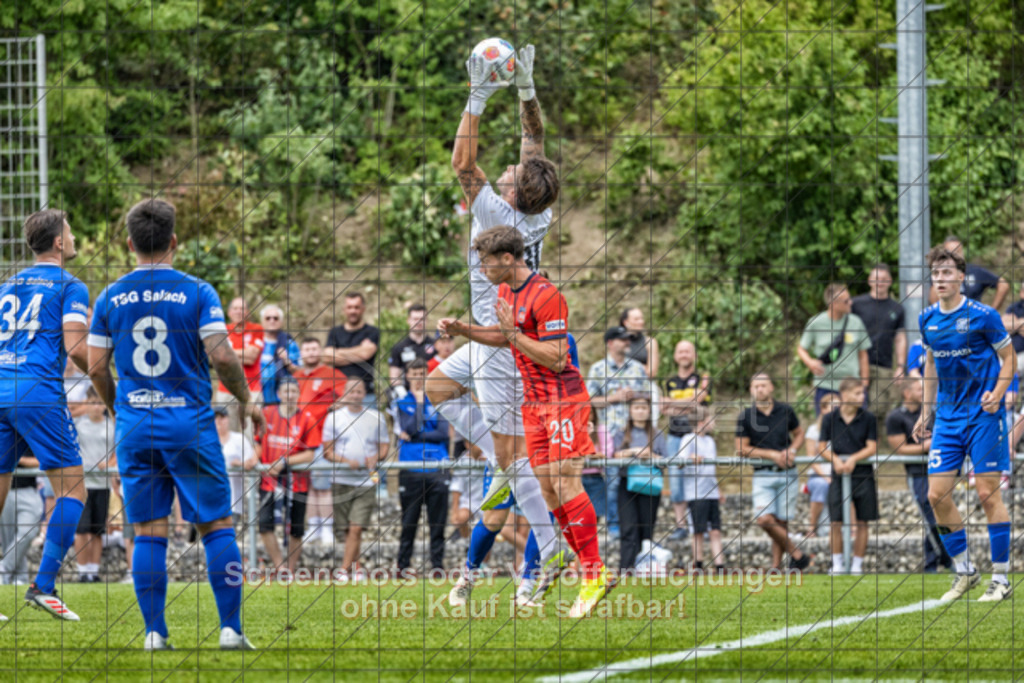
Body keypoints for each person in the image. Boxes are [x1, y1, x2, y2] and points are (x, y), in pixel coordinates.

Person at [426, 44, 566, 603]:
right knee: (437, 387)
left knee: (509, 463)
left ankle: (551, 545)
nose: (510, 165)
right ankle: (508, 458)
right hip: (489, 343)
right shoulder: (538, 208)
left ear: (510, 192)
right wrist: (527, 89)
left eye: (511, 172)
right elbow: (535, 142)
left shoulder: (495, 213)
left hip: (498, 344)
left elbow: (462, 164)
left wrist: (480, 94)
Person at [87, 198, 261, 649]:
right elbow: (222, 354)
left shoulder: (109, 296)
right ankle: (230, 630)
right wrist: (246, 396)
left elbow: (95, 368)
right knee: (217, 525)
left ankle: (154, 634)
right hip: (187, 421)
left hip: (134, 424)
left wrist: (116, 408)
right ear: (175, 241)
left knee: (147, 529)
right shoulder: (197, 291)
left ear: (130, 244)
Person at [440, 224, 613, 618]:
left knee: (565, 482)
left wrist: (514, 335)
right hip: (532, 406)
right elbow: (505, 337)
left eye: (485, 263)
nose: (481, 270)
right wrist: (464, 330)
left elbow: (554, 356)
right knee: (549, 492)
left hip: (562, 400)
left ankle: (594, 574)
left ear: (507, 259)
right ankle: (575, 565)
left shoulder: (547, 294)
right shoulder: (505, 291)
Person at [0, 209, 91, 622]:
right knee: (73, 491)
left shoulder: (7, 286)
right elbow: (75, 348)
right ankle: (44, 586)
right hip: (35, 390)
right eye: (69, 232)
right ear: (58, 242)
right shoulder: (71, 286)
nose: (72, 238)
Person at [914, 245, 1015, 602]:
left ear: (961, 277)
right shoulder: (927, 319)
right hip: (948, 417)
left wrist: (999, 392)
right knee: (935, 494)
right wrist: (926, 412)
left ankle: (1001, 579)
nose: (940, 279)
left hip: (984, 416)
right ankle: (965, 571)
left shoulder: (984, 315)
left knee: (987, 493)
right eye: (935, 274)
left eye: (946, 273)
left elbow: (1008, 358)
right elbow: (930, 365)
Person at [735, 373, 811, 571]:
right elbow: (741, 448)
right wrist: (772, 455)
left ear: (771, 388)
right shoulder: (745, 416)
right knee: (765, 519)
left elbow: (799, 433)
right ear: (751, 390)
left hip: (788, 473)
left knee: (781, 522)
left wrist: (792, 450)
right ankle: (798, 554)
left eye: (763, 385)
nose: (759, 389)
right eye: (755, 386)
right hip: (763, 474)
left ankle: (776, 567)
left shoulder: (785, 410)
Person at [248, 377, 319, 575]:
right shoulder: (267, 414)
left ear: (298, 395)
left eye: (294, 391)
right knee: (264, 525)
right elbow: (258, 442)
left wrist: (284, 463)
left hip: (299, 483)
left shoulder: (307, 419)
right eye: (286, 391)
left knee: (296, 530)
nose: (290, 395)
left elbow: (310, 454)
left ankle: (291, 569)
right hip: (269, 482)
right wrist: (254, 457)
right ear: (279, 394)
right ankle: (281, 568)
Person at [586, 325, 651, 537]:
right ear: (610, 343)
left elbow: (648, 397)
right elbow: (587, 402)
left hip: (635, 431)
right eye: (623, 339)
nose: (627, 343)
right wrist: (615, 398)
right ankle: (614, 527)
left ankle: (640, 528)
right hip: (609, 433)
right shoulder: (597, 369)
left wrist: (637, 397)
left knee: (637, 479)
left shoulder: (637, 368)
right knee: (613, 483)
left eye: (628, 339)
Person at [886, 377, 952, 573]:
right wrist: (926, 446)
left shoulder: (932, 414)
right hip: (917, 475)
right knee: (930, 520)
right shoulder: (896, 417)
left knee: (944, 516)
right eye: (918, 389)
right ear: (906, 393)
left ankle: (944, 560)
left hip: (940, 471)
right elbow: (900, 448)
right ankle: (940, 561)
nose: (923, 391)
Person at [322, 378, 387, 575]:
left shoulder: (376, 417)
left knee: (357, 527)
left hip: (367, 479)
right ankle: (356, 568)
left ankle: (342, 570)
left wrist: (376, 457)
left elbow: (384, 446)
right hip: (340, 479)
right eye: (351, 391)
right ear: (344, 393)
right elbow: (327, 451)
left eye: (359, 391)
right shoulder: (334, 418)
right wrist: (345, 460)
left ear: (364, 394)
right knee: (346, 529)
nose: (355, 395)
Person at [395, 359, 451, 575]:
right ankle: (402, 567)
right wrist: (419, 404)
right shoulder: (401, 402)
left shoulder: (437, 400)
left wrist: (416, 436)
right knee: (409, 521)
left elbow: (443, 433)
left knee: (438, 523)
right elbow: (408, 427)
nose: (418, 378)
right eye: (414, 374)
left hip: (438, 467)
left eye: (422, 374)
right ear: (407, 376)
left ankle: (437, 566)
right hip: (411, 469)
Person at [818, 377, 878, 575]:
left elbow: (872, 447)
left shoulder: (868, 418)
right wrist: (835, 460)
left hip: (863, 475)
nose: (862, 396)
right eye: (857, 393)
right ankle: (836, 564)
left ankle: (857, 565)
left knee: (863, 521)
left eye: (862, 393)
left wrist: (853, 459)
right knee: (835, 521)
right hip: (838, 474)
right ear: (844, 395)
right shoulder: (829, 419)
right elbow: (821, 447)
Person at [662, 339, 712, 541]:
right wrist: (687, 404)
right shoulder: (669, 382)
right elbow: (662, 408)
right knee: (676, 480)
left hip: (698, 435)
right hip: (674, 435)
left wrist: (675, 404)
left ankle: (703, 525)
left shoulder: (704, 378)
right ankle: (680, 525)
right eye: (680, 351)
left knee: (701, 478)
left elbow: (699, 401)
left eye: (688, 351)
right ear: (675, 356)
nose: (684, 355)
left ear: (694, 356)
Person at [797, 283, 872, 414]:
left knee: (858, 427)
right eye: (846, 301)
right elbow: (801, 348)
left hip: (852, 386)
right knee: (827, 428)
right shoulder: (815, 323)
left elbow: (863, 354)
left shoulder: (856, 322)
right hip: (826, 386)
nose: (851, 302)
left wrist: (864, 384)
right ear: (833, 304)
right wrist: (810, 362)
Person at [611, 396, 666, 570]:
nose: (640, 411)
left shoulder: (657, 434)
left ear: (649, 411)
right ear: (630, 410)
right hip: (627, 484)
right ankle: (625, 570)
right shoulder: (621, 433)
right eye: (637, 407)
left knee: (646, 530)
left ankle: (645, 568)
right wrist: (634, 451)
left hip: (650, 485)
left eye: (644, 408)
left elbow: (665, 460)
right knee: (628, 528)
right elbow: (615, 455)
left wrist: (650, 456)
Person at [851, 264, 907, 420]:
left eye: (883, 279)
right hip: (857, 364)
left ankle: (874, 443)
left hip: (883, 365)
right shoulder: (856, 304)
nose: (879, 282)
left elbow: (900, 338)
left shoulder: (897, 308)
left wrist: (901, 367)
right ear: (869, 280)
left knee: (878, 409)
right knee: (853, 405)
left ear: (890, 282)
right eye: (876, 278)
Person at [73, 387, 116, 583]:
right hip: (83, 484)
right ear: (86, 403)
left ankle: (94, 570)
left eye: (99, 403)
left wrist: (108, 464)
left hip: (103, 484)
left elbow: (118, 452)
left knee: (98, 530)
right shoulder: (78, 426)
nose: (96, 407)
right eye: (92, 402)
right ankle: (82, 571)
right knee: (82, 530)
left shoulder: (111, 426)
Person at [680, 406, 724, 572]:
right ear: (701, 422)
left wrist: (718, 489)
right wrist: (691, 457)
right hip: (696, 493)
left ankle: (719, 566)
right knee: (698, 531)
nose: (713, 423)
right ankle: (698, 565)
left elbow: (711, 469)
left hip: (711, 492)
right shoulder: (688, 439)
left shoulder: (710, 441)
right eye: (710, 419)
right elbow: (680, 460)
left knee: (715, 530)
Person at [323, 292, 379, 407]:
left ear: (363, 309)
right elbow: (327, 357)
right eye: (349, 307)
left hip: (366, 394)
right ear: (344, 309)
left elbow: (366, 354)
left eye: (356, 307)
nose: (353, 311)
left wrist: (338, 353)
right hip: (339, 394)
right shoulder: (335, 332)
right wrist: (359, 351)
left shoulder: (372, 332)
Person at [929, 235, 1009, 310]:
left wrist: (992, 310)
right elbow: (934, 298)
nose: (953, 255)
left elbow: (1003, 284)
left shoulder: (975, 271)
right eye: (949, 252)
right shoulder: (939, 275)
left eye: (957, 251)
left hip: (973, 319)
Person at [0, 454, 43, 586]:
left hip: (28, 491)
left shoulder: (29, 434)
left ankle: (3, 570)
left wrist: (18, 459)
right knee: (8, 538)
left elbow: (39, 460)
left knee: (28, 532)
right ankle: (19, 578)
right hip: (4, 491)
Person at [218, 296, 263, 418]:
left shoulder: (257, 329)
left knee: (250, 434)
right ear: (229, 312)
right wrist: (242, 353)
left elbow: (251, 357)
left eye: (242, 308)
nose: (239, 311)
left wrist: (227, 352)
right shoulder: (222, 330)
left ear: (247, 312)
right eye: (235, 308)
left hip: (251, 390)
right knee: (226, 434)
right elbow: (215, 357)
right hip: (226, 389)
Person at [803, 393, 839, 538]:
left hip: (838, 473)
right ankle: (812, 527)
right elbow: (812, 458)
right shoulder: (813, 431)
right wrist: (826, 477)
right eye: (834, 406)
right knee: (821, 485)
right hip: (818, 475)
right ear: (823, 409)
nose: (837, 409)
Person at [215, 405, 253, 522]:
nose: (219, 421)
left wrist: (240, 464)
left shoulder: (239, 439)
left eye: (222, 417)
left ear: (228, 419)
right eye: (215, 418)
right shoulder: (205, 441)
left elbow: (251, 461)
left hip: (233, 502)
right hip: (212, 502)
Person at [387, 304, 436, 390]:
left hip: (432, 394)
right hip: (408, 395)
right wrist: (400, 392)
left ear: (427, 321)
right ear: (408, 320)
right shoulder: (399, 347)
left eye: (422, 319)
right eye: (415, 319)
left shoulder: (436, 345)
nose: (418, 322)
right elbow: (394, 375)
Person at [258, 304, 299, 406]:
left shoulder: (289, 343)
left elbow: (300, 372)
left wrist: (287, 361)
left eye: (276, 318)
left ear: (281, 322)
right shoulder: (255, 342)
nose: (272, 321)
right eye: (268, 318)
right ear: (262, 321)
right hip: (257, 397)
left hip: (282, 401)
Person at [620, 307, 660, 380]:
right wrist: (642, 367)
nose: (641, 322)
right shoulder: (619, 342)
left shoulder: (650, 342)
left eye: (641, 318)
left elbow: (651, 373)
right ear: (626, 322)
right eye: (636, 319)